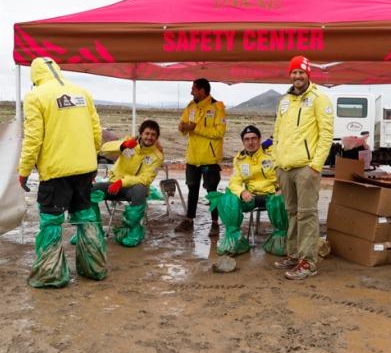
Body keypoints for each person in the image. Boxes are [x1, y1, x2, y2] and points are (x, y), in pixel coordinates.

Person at [18, 57, 104, 288]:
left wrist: (24, 170)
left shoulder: (35, 97)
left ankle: (51, 274)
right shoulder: (82, 93)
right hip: (85, 168)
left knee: (51, 221)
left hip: (56, 171)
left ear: (34, 76)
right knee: (85, 216)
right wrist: (91, 161)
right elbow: (97, 132)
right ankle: (94, 267)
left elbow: (33, 139)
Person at [272, 55, 334, 280]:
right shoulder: (285, 100)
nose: (297, 76)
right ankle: (294, 254)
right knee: (292, 213)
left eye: (301, 72)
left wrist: (315, 165)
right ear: (290, 75)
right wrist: (277, 161)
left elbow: (326, 135)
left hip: (306, 168)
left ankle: (308, 263)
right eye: (294, 72)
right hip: (285, 167)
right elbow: (277, 132)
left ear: (308, 74)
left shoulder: (319, 98)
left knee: (307, 215)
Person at [208, 125, 288, 256]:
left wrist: (282, 189)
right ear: (243, 142)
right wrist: (241, 192)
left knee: (281, 200)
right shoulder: (240, 159)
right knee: (227, 199)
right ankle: (235, 241)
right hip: (251, 197)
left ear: (259, 139)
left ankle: (281, 240)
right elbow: (234, 182)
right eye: (247, 139)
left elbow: (284, 173)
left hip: (272, 195)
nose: (250, 142)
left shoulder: (272, 154)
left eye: (254, 138)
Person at [90, 119, 164, 247]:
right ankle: (91, 230)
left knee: (141, 189)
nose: (149, 137)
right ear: (141, 133)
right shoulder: (129, 142)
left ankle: (133, 231)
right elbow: (104, 149)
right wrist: (122, 145)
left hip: (132, 189)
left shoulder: (157, 156)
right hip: (113, 184)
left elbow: (146, 178)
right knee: (91, 189)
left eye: (153, 135)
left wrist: (122, 182)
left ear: (157, 137)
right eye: (147, 133)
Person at [175, 78, 226, 235]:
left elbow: (219, 132)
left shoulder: (217, 107)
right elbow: (182, 127)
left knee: (212, 192)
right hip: (192, 158)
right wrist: (183, 127)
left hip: (209, 159)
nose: (191, 92)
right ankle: (189, 220)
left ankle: (215, 223)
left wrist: (196, 128)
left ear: (202, 90)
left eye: (194, 89)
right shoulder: (191, 107)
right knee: (192, 189)